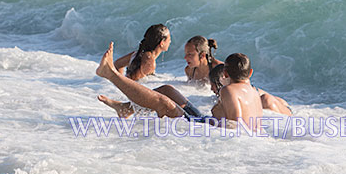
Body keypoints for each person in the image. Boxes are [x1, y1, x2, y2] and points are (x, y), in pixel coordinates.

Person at [96, 44, 262, 129]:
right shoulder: (254, 92)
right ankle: (125, 109)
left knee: (164, 103)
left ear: (225, 74)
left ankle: (111, 74)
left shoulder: (229, 90)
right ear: (250, 72)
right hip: (205, 122)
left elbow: (235, 128)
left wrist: (217, 111)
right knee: (168, 90)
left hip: (204, 128)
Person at [209, 64, 292, 116]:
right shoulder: (232, 91)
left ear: (223, 78)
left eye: (213, 85)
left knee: (266, 100)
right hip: (279, 107)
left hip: (283, 108)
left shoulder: (234, 91)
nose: (211, 89)